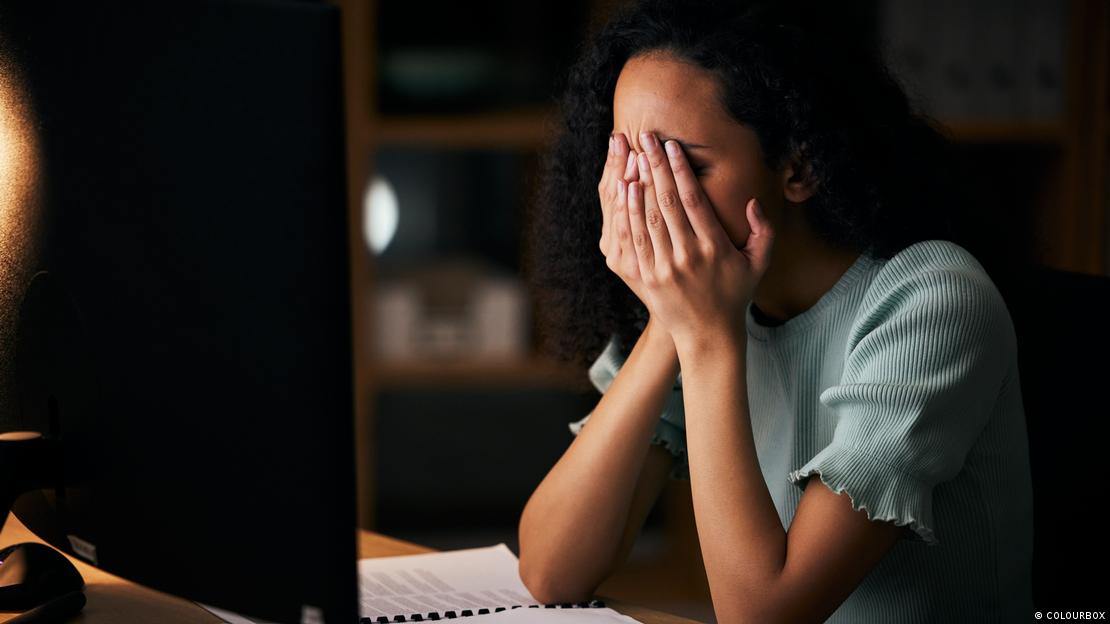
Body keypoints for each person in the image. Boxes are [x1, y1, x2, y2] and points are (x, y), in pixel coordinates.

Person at [517, 1, 1034, 622]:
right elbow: (551, 570)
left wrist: (706, 336)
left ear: (798, 167)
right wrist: (667, 325)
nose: (646, 193)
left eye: (685, 164)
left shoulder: (931, 302)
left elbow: (763, 614)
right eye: (629, 160)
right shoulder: (698, 304)